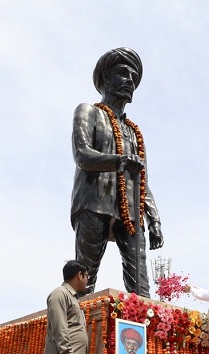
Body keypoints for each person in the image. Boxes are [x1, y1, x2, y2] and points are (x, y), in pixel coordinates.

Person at [72, 47, 164, 297]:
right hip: (94, 202)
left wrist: (153, 219)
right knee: (84, 278)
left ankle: (145, 333)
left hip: (130, 210)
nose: (130, 81)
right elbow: (82, 155)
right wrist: (121, 160)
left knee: (141, 284)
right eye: (123, 73)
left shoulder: (134, 132)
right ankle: (78, 332)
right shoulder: (88, 112)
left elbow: (142, 179)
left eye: (134, 77)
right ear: (105, 78)